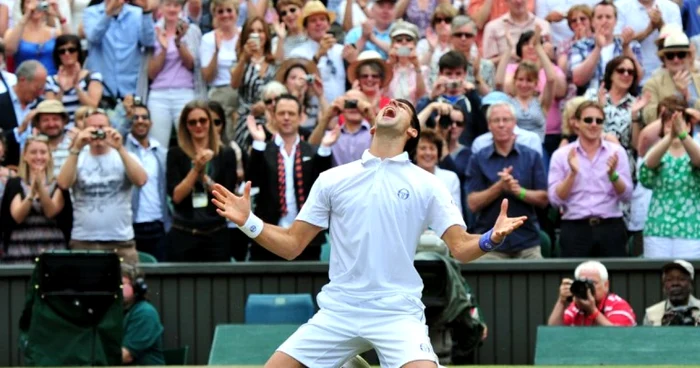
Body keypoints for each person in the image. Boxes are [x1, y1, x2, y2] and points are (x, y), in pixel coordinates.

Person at [211, 98, 527, 367]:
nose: (392, 106)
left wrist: (490, 238)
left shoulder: (428, 184)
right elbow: (292, 245)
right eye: (388, 105)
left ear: (412, 131)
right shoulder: (333, 179)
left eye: (402, 107)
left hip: (397, 312)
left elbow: (460, 248)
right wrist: (248, 221)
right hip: (338, 312)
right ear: (373, 127)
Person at [547, 260, 636, 326]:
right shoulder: (575, 307)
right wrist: (561, 301)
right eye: (583, 283)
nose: (587, 288)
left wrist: (592, 311)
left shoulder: (618, 305)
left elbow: (618, 337)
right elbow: (553, 332)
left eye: (593, 283)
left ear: (606, 285)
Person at [121, 263, 165, 366]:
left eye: (122, 284)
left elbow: (125, 356)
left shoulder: (145, 313)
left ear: (137, 287)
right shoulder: (115, 312)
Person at [644, 260, 700, 326]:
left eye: (681, 279)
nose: (675, 283)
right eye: (669, 279)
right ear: (663, 284)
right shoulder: (651, 314)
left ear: (691, 283)